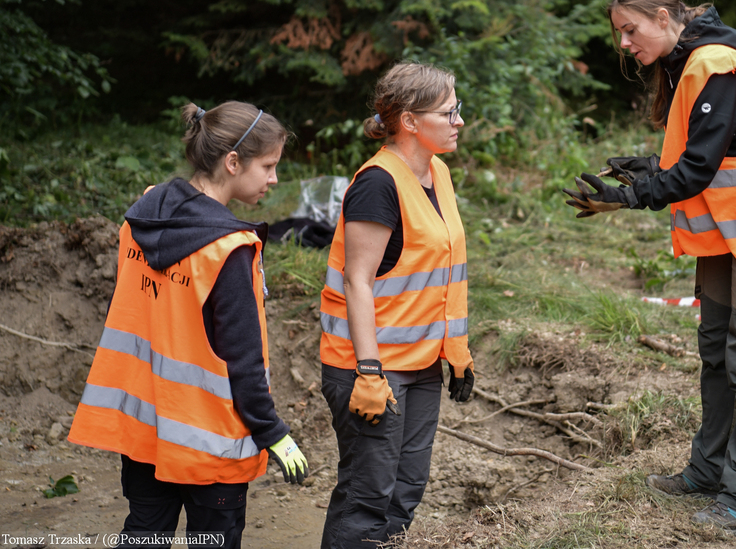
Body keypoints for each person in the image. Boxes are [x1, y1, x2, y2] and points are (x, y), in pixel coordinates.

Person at [564, 0, 736, 536]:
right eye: (618, 34)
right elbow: (702, 155)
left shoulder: (712, 63)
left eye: (630, 30)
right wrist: (646, 166)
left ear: (663, 18)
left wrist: (629, 197)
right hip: (726, 236)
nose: (624, 44)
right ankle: (706, 472)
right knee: (718, 355)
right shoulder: (687, 63)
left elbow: (698, 169)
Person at [68, 101, 309, 549]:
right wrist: (272, 432)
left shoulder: (144, 213)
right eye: (269, 166)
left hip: (145, 429)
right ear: (232, 162)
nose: (274, 179)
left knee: (144, 532)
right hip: (208, 443)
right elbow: (243, 358)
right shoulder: (230, 249)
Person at [318, 62, 475, 549]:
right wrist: (368, 372)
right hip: (371, 369)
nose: (459, 121)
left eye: (458, 110)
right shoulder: (377, 183)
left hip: (423, 363)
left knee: (405, 493)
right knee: (367, 498)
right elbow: (357, 281)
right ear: (409, 120)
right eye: (448, 112)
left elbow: (438, 270)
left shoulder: (438, 172)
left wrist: (458, 352)